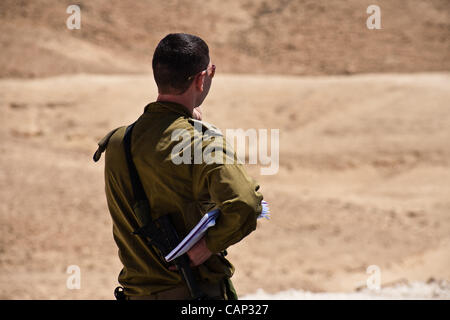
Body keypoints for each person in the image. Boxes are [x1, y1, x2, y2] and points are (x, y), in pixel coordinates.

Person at [94, 33, 263, 300]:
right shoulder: (201, 143)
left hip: (136, 293)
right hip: (192, 293)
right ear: (201, 79)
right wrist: (208, 245)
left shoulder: (117, 141)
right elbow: (245, 203)